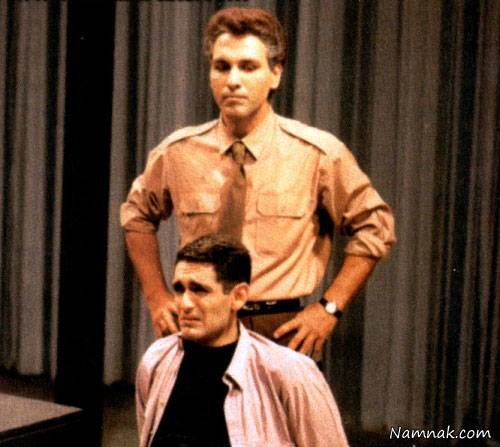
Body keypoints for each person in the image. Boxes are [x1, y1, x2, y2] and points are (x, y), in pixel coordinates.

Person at [121, 7, 395, 359]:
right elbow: (136, 215)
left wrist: (329, 307)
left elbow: (376, 226)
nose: (233, 80)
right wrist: (157, 297)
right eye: (222, 66)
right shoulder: (178, 153)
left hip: (279, 332)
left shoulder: (317, 155)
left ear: (275, 74)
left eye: (248, 67)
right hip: (199, 327)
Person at [136, 234, 349, 447]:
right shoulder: (157, 360)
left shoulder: (290, 373)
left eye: (199, 290)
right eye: (179, 289)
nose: (185, 304)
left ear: (238, 297)